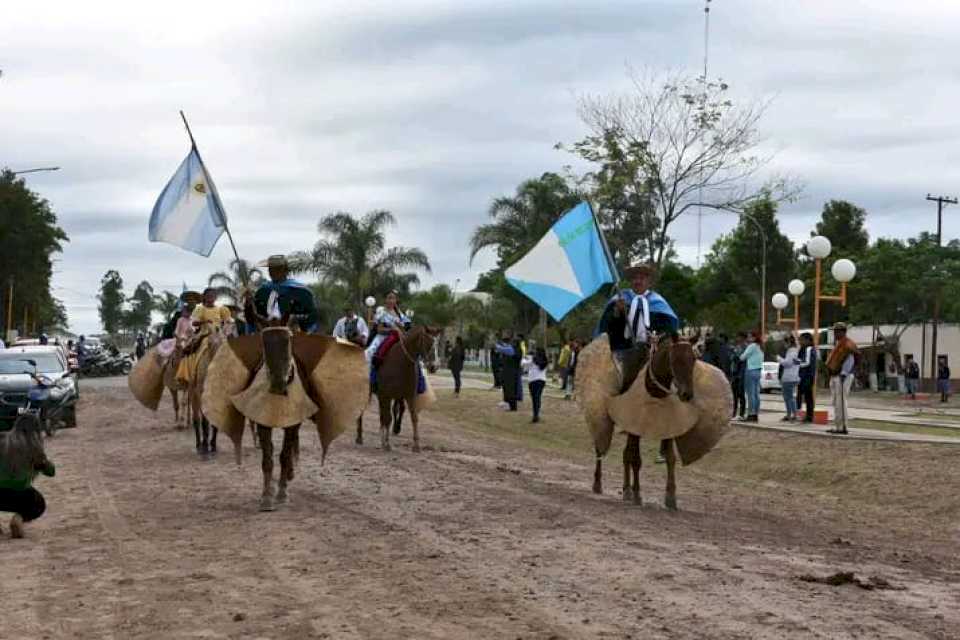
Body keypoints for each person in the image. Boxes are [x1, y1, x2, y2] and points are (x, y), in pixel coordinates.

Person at [601, 263, 679, 391]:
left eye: (642, 278)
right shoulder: (620, 299)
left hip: (651, 352)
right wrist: (617, 312)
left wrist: (659, 337)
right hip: (624, 350)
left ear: (648, 281)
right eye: (635, 278)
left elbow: (669, 329)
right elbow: (609, 326)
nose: (638, 281)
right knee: (616, 384)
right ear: (631, 281)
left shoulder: (658, 302)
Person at [0, 418, 55, 538]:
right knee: (39, 503)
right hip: (21, 496)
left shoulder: (2, 438)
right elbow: (51, 472)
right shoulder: (34, 450)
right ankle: (19, 518)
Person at [825, 323, 858, 434]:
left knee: (841, 402)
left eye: (837, 331)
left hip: (843, 376)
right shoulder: (839, 344)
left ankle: (843, 427)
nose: (835, 333)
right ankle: (837, 426)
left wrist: (843, 374)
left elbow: (850, 361)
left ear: (843, 332)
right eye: (834, 331)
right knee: (835, 402)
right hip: (835, 376)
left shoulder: (847, 344)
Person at [365, 291, 410, 366]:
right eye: (389, 298)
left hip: (399, 338)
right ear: (385, 300)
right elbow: (379, 330)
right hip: (383, 338)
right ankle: (371, 373)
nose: (391, 301)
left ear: (396, 300)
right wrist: (392, 330)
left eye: (393, 298)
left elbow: (405, 326)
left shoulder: (399, 313)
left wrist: (401, 327)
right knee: (370, 352)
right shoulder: (382, 313)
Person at [739, 330, 764, 422]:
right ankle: (756, 413)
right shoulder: (760, 347)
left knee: (750, 394)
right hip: (758, 371)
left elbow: (742, 357)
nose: (748, 338)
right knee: (756, 394)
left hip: (750, 370)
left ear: (754, 337)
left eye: (750, 337)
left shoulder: (752, 346)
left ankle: (751, 414)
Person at [495, 331, 522, 411]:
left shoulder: (514, 350)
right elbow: (505, 347)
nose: (511, 343)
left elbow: (503, 349)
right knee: (507, 388)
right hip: (509, 372)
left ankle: (512, 406)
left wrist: (496, 345)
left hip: (511, 373)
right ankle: (508, 403)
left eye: (513, 342)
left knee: (511, 389)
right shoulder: (516, 349)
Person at [777, 335, 801, 422]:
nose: (784, 345)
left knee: (788, 397)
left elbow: (787, 363)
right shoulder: (797, 351)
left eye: (785, 343)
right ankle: (792, 414)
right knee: (791, 397)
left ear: (789, 343)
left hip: (788, 377)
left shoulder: (791, 352)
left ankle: (791, 414)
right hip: (794, 376)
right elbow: (797, 362)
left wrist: (779, 359)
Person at [524, 347, 549, 423]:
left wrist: (524, 358)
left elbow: (523, 364)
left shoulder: (533, 360)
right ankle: (536, 414)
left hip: (533, 380)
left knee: (534, 398)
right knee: (538, 397)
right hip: (542, 380)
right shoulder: (545, 361)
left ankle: (535, 414)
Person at [797, 332, 818, 422]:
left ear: (808, 340)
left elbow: (807, 362)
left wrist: (798, 363)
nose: (800, 342)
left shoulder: (809, 349)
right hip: (803, 375)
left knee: (807, 396)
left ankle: (809, 416)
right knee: (802, 395)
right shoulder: (803, 349)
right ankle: (802, 413)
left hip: (807, 376)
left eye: (802, 340)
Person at [730, 332, 748, 419]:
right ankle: (733, 412)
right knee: (734, 395)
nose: (737, 339)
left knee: (741, 394)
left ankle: (741, 413)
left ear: (743, 338)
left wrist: (736, 356)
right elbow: (733, 357)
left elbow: (742, 360)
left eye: (739, 337)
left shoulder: (746, 347)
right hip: (734, 373)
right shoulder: (737, 347)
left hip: (741, 373)